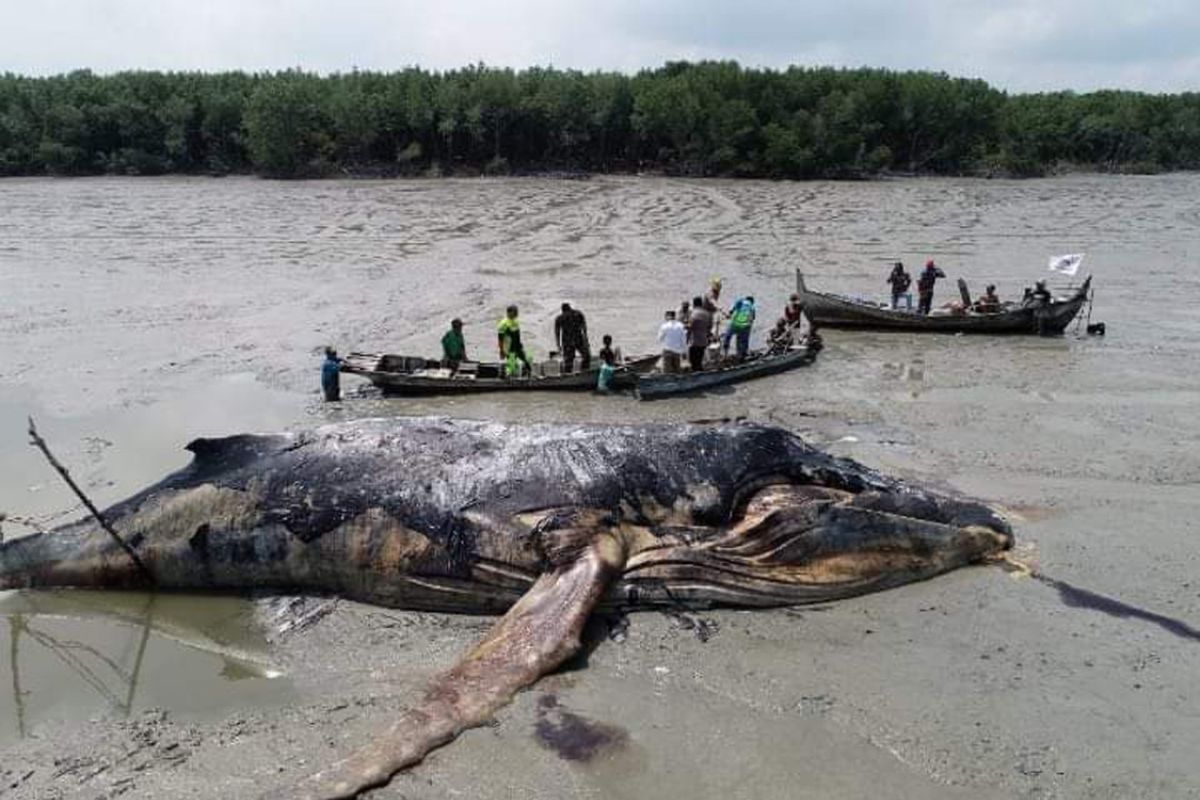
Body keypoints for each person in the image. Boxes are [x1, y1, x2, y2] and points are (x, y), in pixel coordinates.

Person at [553, 302, 590, 373]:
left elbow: (557, 333)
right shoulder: (578, 314)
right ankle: (584, 371)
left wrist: (558, 345)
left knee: (569, 360)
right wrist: (586, 339)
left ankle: (571, 374)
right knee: (585, 356)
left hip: (569, 341)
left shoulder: (560, 318)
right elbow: (584, 328)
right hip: (577, 339)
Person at [497, 305, 531, 377]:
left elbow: (517, 335)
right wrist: (501, 350)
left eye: (517, 312)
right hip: (509, 348)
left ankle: (529, 376)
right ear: (509, 312)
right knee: (511, 366)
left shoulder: (515, 321)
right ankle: (508, 379)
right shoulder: (503, 324)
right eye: (515, 312)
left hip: (517, 346)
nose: (517, 313)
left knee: (527, 360)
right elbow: (500, 339)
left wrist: (520, 345)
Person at [722, 295, 756, 360]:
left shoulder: (741, 301)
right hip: (745, 326)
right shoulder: (752, 307)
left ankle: (725, 355)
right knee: (742, 340)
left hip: (734, 324)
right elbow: (753, 318)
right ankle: (741, 355)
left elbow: (732, 310)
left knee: (727, 337)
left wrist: (728, 315)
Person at [657, 309, 687, 374]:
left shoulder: (664, 326)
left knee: (666, 372)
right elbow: (683, 340)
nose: (665, 318)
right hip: (677, 351)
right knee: (677, 371)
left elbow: (659, 339)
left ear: (668, 316)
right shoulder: (680, 326)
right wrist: (684, 352)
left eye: (665, 316)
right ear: (674, 316)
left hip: (667, 351)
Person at [687, 296, 712, 372]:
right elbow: (710, 327)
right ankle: (700, 372)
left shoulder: (693, 313)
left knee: (693, 360)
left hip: (695, 341)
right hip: (704, 341)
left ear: (694, 304)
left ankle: (696, 374)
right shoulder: (707, 314)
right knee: (699, 359)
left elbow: (690, 327)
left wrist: (686, 338)